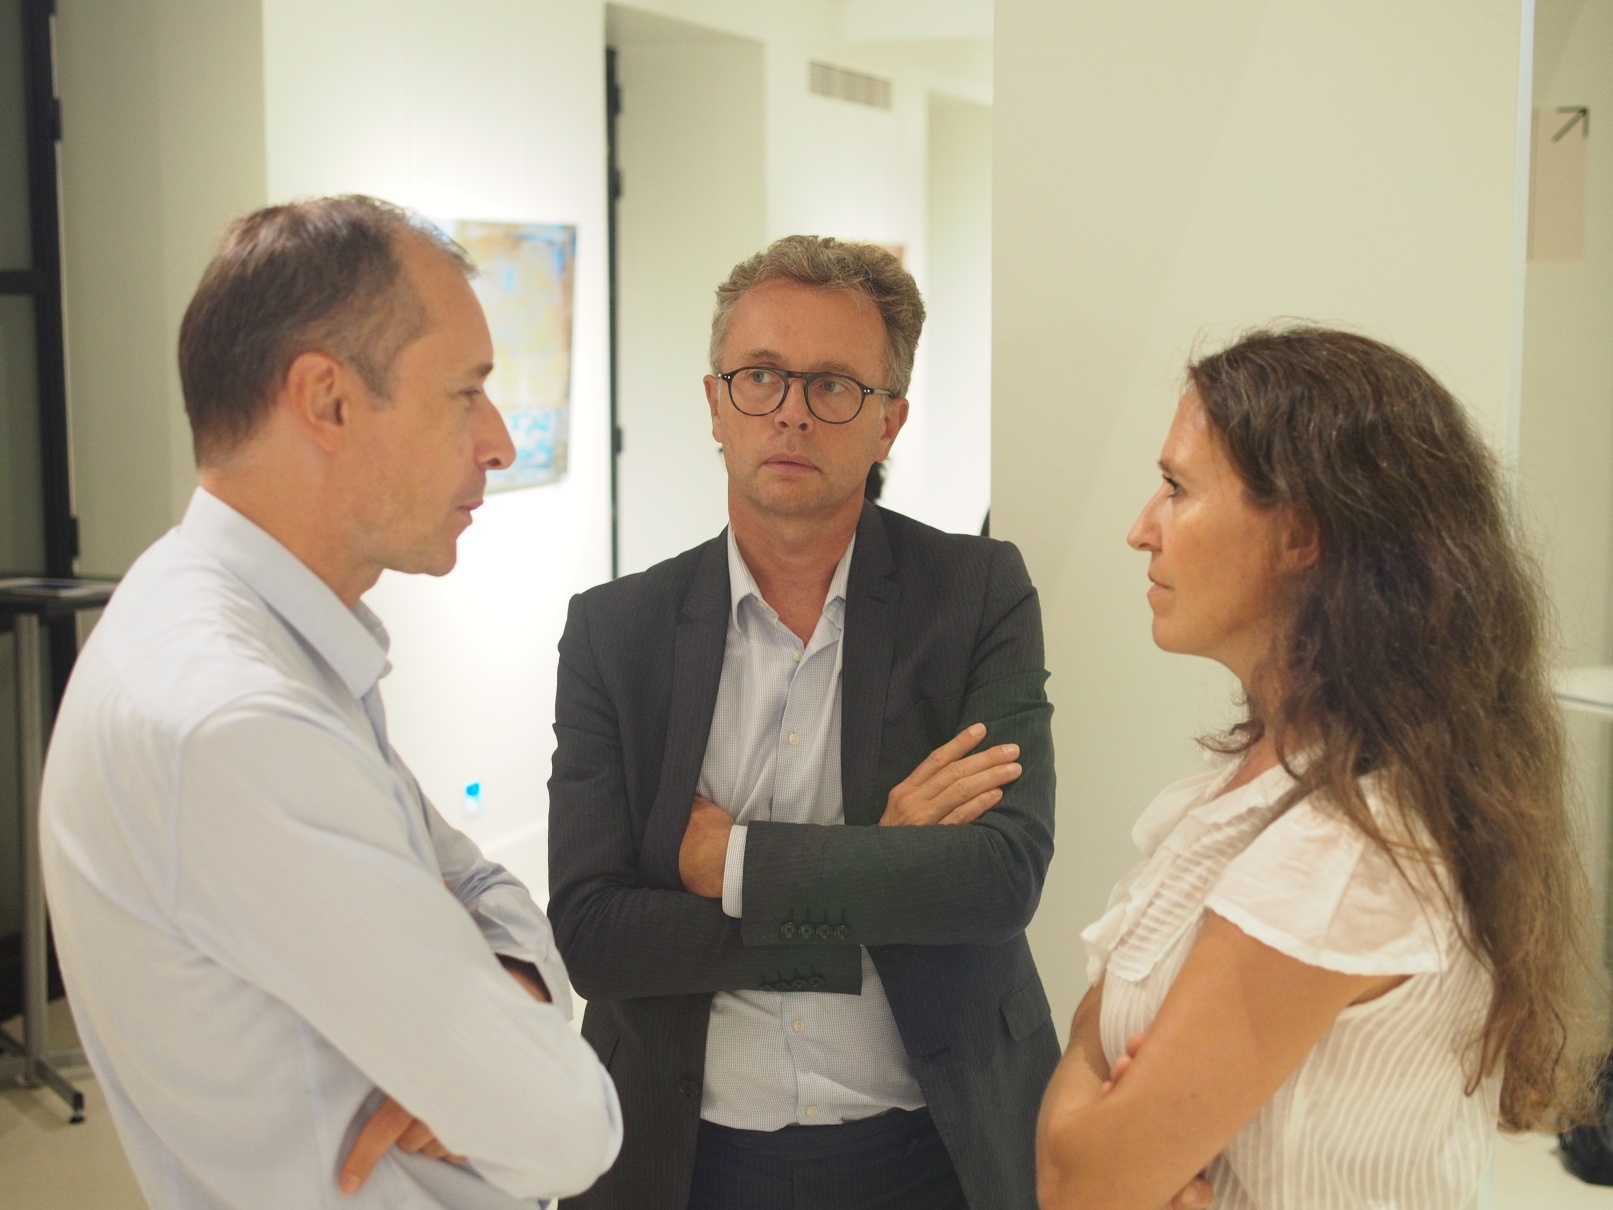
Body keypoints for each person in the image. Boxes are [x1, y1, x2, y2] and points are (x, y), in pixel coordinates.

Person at [40, 196, 621, 1209]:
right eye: (466, 392)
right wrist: (508, 1031)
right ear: (329, 401)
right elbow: (571, 1130)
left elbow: (479, 880)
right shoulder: (238, 722)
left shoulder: (248, 639)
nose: (497, 443)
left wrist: (513, 979)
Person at [547, 235, 1059, 1210]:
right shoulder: (617, 631)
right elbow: (594, 934)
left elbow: (997, 879)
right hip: (685, 1160)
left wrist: (731, 860)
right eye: (760, 377)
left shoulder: (974, 593)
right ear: (714, 404)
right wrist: (875, 871)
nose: (789, 410)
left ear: (888, 421)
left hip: (934, 1151)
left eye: (831, 386)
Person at [1035, 326, 1592, 1210]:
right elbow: (1088, 1046)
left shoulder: (1341, 853)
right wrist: (1092, 1073)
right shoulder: (1264, 785)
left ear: (1298, 534)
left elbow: (1078, 1182)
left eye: (1177, 489)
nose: (1141, 529)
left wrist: (1094, 1089)